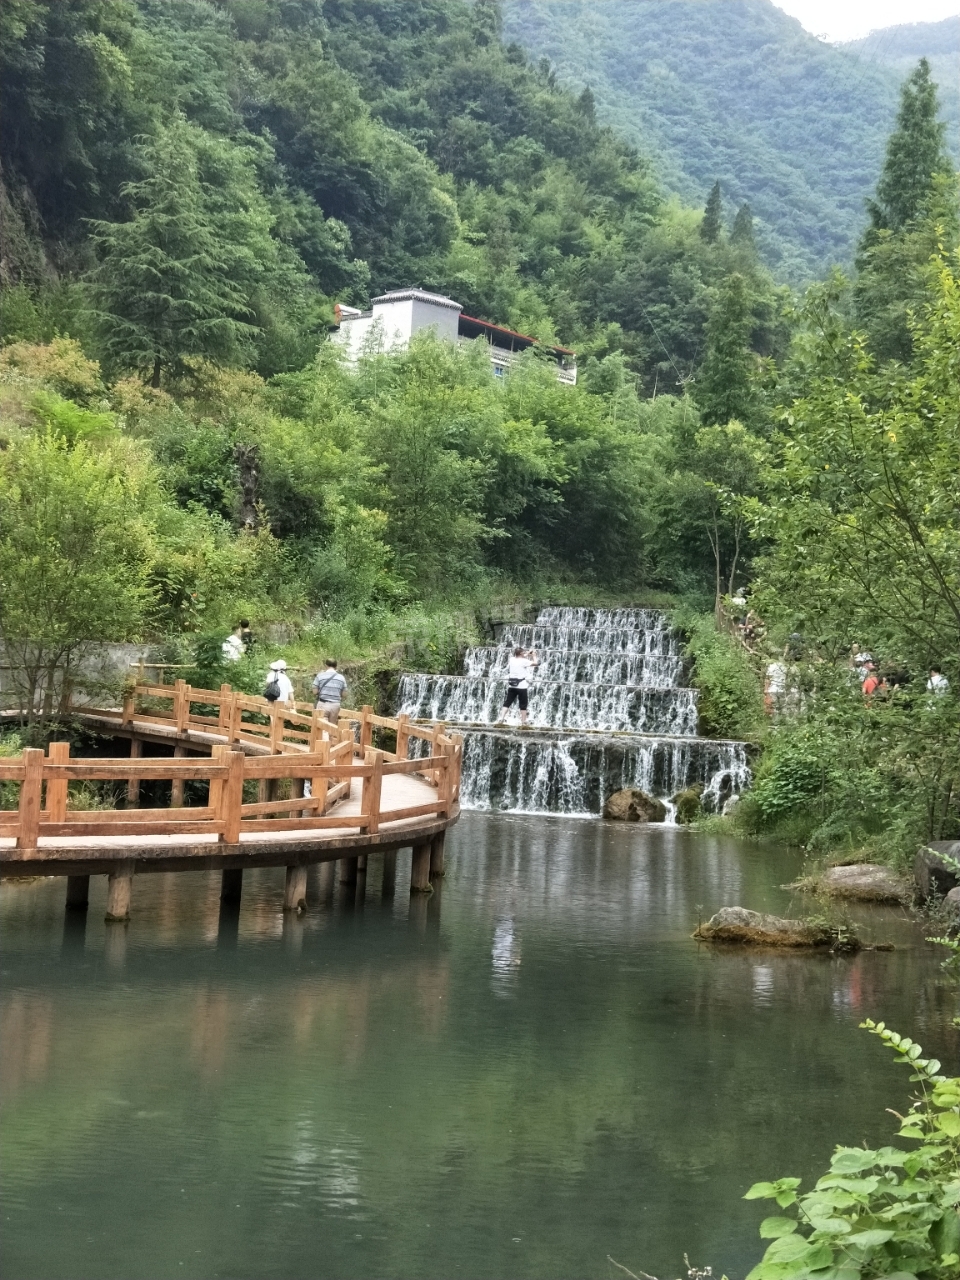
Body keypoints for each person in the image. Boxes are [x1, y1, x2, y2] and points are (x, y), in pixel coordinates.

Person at [500, 647, 538, 726]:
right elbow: (536, 663)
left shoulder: (512, 659)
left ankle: (501, 718)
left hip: (512, 685)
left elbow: (520, 655)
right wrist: (533, 655)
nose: (525, 653)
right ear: (521, 654)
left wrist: (527, 653)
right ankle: (523, 722)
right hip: (522, 686)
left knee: (507, 702)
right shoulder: (524, 661)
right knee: (523, 705)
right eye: (523, 652)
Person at [313, 659, 347, 724]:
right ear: (336, 666)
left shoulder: (320, 675)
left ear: (326, 665)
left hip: (323, 704)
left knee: (322, 726)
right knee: (332, 727)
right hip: (335, 705)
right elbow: (344, 694)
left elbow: (314, 691)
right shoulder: (341, 677)